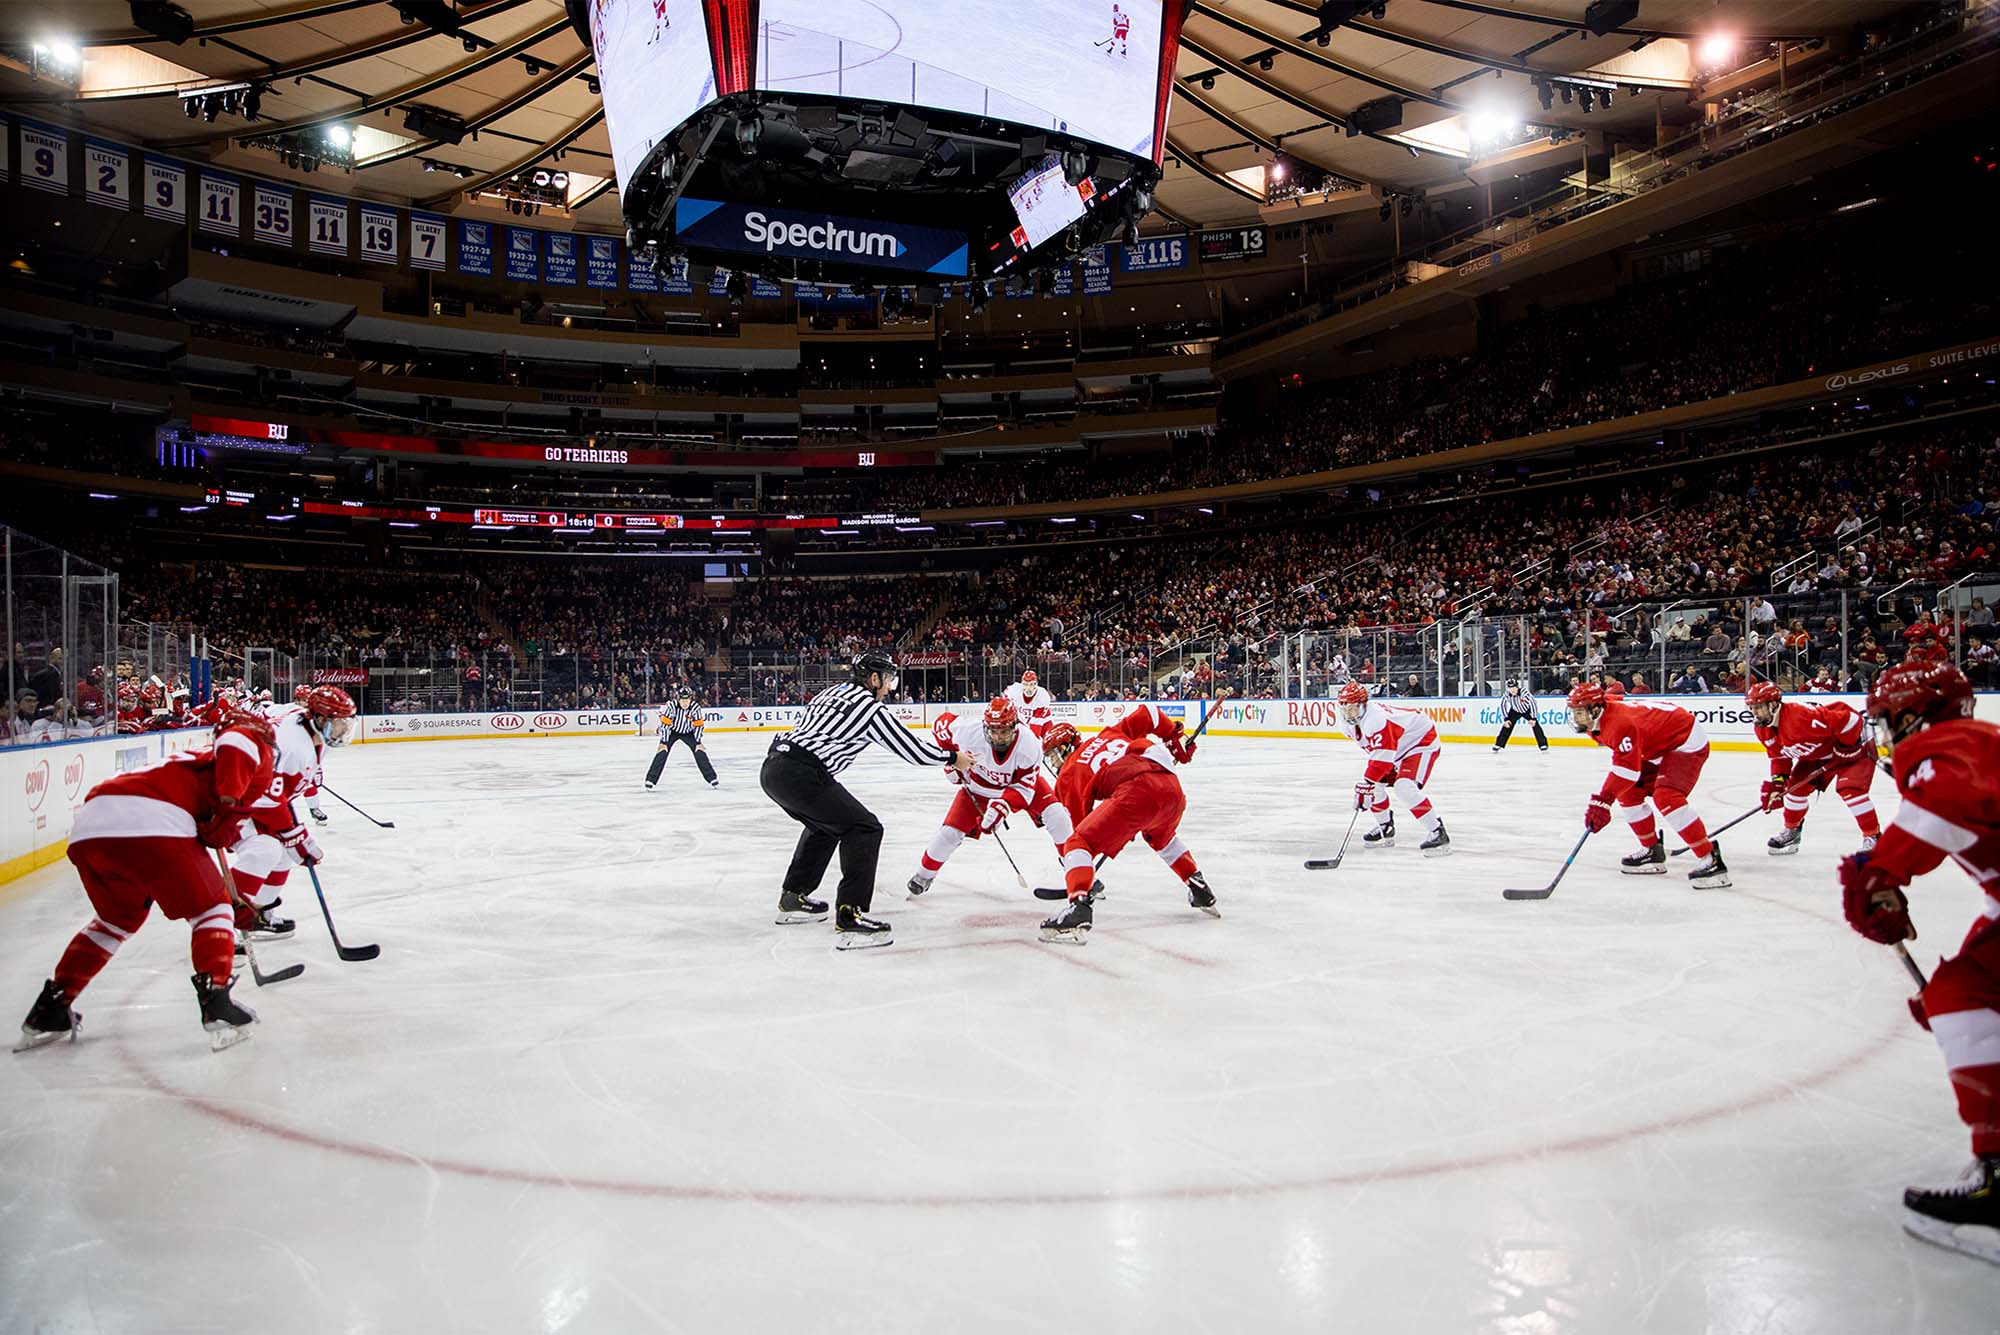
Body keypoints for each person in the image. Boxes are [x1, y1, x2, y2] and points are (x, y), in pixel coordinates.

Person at [1835, 660, 1998, 1263]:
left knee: (1965, 998)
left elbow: (1950, 802)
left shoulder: (1943, 746)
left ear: (1910, 718)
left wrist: (1884, 868)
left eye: (1885, 724)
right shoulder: (1980, 740)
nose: (1884, 738)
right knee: (1964, 989)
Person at [15, 710, 276, 1053]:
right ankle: (217, 1003)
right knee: (212, 911)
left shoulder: (185, 762)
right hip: (152, 818)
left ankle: (51, 1009)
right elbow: (238, 741)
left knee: (113, 922)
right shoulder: (248, 741)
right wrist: (228, 804)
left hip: (91, 826)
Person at [759, 651, 970, 949]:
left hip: (773, 766)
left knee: (826, 826)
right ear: (873, 678)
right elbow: (913, 751)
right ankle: (850, 917)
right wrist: (953, 757)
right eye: (887, 680)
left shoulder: (830, 693)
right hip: (802, 773)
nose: (888, 688)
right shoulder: (869, 709)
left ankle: (793, 897)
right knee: (864, 828)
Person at [1038, 706, 1215, 944]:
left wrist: (1081, 877)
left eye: (1054, 754)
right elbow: (1149, 714)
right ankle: (1198, 886)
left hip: (1135, 792)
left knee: (1078, 842)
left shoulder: (1069, 773)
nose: (1054, 762)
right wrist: (1173, 738)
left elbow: (1082, 833)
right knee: (1160, 837)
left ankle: (1078, 908)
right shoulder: (1107, 733)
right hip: (1171, 786)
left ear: (1067, 747)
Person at [907, 696, 1075, 895]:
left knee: (1058, 816)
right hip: (979, 787)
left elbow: (1024, 788)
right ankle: (923, 875)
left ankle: (1076, 869)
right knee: (949, 833)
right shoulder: (969, 732)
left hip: (1017, 786)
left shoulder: (1029, 745)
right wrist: (952, 759)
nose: (998, 737)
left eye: (1004, 731)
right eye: (993, 730)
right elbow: (940, 724)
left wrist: (1003, 806)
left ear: (1015, 726)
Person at [1568, 682, 1729, 887]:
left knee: (1667, 797)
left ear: (1596, 708)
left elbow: (1628, 770)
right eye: (1573, 711)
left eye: (1579, 712)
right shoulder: (1597, 721)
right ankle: (1652, 850)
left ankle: (1710, 859)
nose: (1575, 717)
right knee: (1627, 794)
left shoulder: (1619, 723)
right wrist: (1607, 798)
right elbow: (1627, 768)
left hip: (1684, 740)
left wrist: (1603, 801)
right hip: (1656, 745)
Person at [226, 686, 357, 939]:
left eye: (346, 723)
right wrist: (294, 834)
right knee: (264, 849)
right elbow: (265, 797)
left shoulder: (310, 729)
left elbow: (277, 795)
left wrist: (293, 836)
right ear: (319, 718)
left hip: (258, 798)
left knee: (284, 853)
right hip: (232, 797)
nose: (343, 730)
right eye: (339, 723)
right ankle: (223, 925)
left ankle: (258, 914)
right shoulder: (291, 745)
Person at [1746, 681, 1879, 856]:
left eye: (1758, 707)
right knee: (1794, 790)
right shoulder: (1762, 729)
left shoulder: (1800, 716)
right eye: (1751, 708)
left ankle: (1874, 838)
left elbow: (1851, 721)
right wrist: (1778, 784)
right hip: (1819, 752)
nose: (1754, 712)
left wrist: (1847, 749)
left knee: (1850, 790)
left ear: (1773, 705)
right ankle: (1792, 832)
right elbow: (1779, 756)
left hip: (1856, 743)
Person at [1338, 681, 1449, 854]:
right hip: (1397, 747)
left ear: (1363, 705)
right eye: (1345, 709)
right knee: (1374, 787)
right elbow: (1378, 754)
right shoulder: (1348, 723)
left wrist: (1367, 782)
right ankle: (1385, 827)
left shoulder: (1377, 719)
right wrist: (1370, 784)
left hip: (1419, 741)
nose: (1349, 714)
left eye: (1352, 709)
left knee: (1404, 787)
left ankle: (1437, 831)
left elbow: (1383, 757)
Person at [645, 687, 717, 789]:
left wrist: (698, 742)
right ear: (679, 699)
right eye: (682, 700)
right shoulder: (672, 706)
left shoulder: (695, 708)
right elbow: (665, 725)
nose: (685, 703)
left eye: (687, 700)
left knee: (699, 751)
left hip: (689, 732)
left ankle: (712, 778)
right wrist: (664, 742)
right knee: (662, 752)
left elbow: (698, 725)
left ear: (690, 699)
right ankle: (651, 779)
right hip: (672, 732)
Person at [1493, 679, 1549, 752]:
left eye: (1514, 687)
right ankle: (1499, 744)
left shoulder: (1524, 692)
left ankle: (1543, 744)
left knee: (1535, 726)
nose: (1512, 690)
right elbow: (1503, 705)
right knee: (1507, 726)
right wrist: (1506, 719)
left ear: (1517, 687)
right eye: (1510, 688)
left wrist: (1534, 718)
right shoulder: (1507, 694)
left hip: (1526, 711)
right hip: (1514, 711)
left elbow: (1533, 703)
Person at [1002, 669, 1055, 738]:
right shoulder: (1014, 690)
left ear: (1036, 684)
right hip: (1022, 721)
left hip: (1044, 722)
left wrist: (1032, 740)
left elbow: (1037, 722)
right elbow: (1004, 700)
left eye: (1032, 684)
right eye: (1026, 684)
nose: (1029, 687)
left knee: (1049, 740)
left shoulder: (1043, 695)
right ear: (1022, 684)